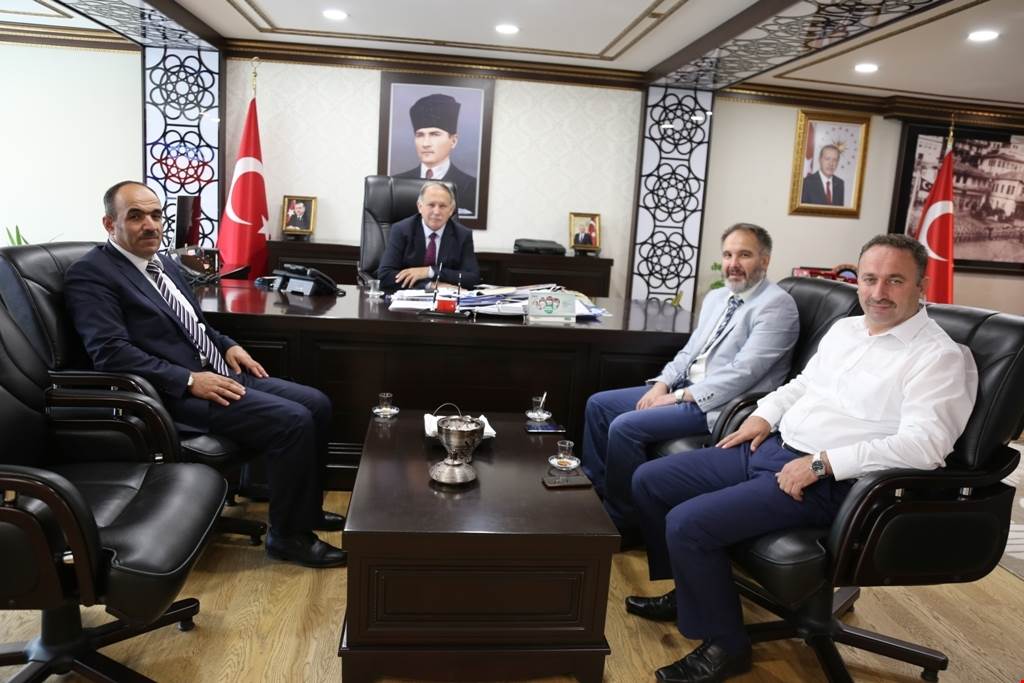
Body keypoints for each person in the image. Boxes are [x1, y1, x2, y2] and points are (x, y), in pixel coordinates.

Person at [626, 233, 978, 683]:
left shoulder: (939, 356)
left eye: (895, 280)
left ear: (922, 286)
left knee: (688, 523)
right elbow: (802, 386)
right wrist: (763, 414)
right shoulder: (847, 330)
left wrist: (822, 462)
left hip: (833, 482)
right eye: (869, 278)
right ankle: (690, 592)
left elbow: (925, 446)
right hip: (774, 447)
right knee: (650, 480)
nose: (878, 292)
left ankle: (726, 648)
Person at [65, 181, 347, 569]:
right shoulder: (91, 275)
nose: (150, 225)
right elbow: (111, 354)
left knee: (317, 403)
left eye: (156, 215)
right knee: (293, 421)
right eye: (136, 216)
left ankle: (305, 510)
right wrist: (188, 380)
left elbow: (195, 324)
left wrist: (228, 345)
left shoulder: (162, 263)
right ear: (109, 224)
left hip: (216, 370)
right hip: (172, 394)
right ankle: (288, 538)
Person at [581, 223, 799, 543]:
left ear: (765, 260)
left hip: (720, 403)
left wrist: (681, 395)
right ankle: (596, 501)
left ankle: (624, 524)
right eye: (727, 255)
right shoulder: (717, 297)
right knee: (599, 405)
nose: (733, 263)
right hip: (684, 388)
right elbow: (689, 352)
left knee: (625, 426)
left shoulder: (777, 305)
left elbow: (744, 372)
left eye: (744, 255)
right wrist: (661, 384)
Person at [377, 181, 481, 291]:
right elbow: (385, 276)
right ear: (420, 207)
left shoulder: (462, 235)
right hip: (409, 298)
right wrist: (429, 285)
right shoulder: (401, 230)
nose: (436, 211)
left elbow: (472, 278)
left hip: (446, 300)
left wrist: (430, 271)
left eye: (442, 206)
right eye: (431, 205)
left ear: (451, 210)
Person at [394, 93, 478, 216]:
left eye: (434, 134)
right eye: (420, 135)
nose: (425, 143)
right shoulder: (397, 183)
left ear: (453, 141)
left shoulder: (472, 187)